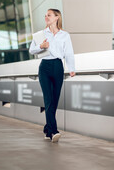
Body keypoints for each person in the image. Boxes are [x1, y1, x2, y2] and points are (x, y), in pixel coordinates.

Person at [29, 9, 75, 143]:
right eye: (45, 16)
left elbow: (69, 53)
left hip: (58, 67)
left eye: (49, 15)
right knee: (48, 99)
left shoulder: (65, 35)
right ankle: (54, 131)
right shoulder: (40, 34)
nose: (46, 17)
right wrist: (41, 46)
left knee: (54, 100)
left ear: (56, 17)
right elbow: (32, 50)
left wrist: (72, 68)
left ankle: (47, 128)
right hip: (44, 67)